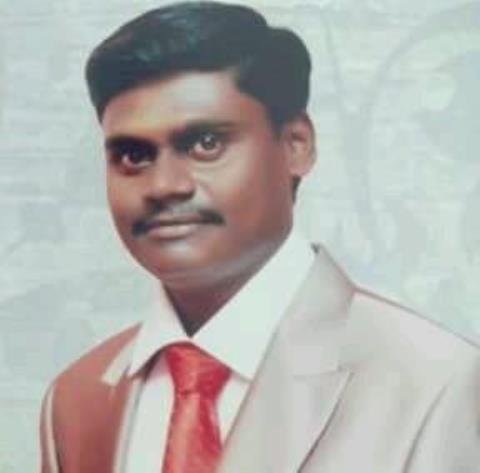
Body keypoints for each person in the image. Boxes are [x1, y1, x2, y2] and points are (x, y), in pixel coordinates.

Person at [39, 2, 480, 472]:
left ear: (296, 146)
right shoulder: (77, 399)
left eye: (206, 144)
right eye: (132, 156)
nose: (164, 185)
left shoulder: (436, 383)